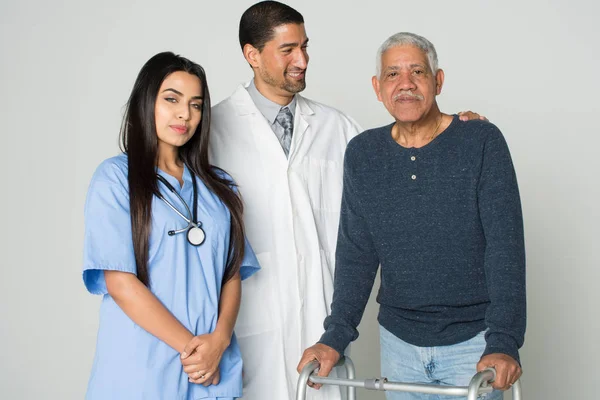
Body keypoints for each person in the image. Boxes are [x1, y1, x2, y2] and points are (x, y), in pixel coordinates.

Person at [209, 2, 486, 398]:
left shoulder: (340, 131)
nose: (302, 60)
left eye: (305, 46)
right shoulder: (212, 132)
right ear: (252, 55)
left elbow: (405, 154)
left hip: (325, 327)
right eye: (288, 50)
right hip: (251, 324)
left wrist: (457, 132)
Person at [297, 32, 526, 400]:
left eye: (417, 71)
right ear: (377, 87)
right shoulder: (363, 153)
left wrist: (504, 340)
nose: (405, 84)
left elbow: (505, 248)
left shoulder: (481, 141)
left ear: (438, 81)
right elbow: (357, 254)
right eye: (392, 74)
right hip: (399, 345)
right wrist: (334, 336)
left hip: (473, 346)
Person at [82, 52, 259, 400]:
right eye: (172, 100)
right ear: (146, 101)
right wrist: (196, 352)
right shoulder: (116, 178)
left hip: (212, 368)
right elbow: (119, 281)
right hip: (143, 367)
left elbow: (232, 275)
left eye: (196, 105)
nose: (185, 114)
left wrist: (220, 341)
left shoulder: (219, 186)